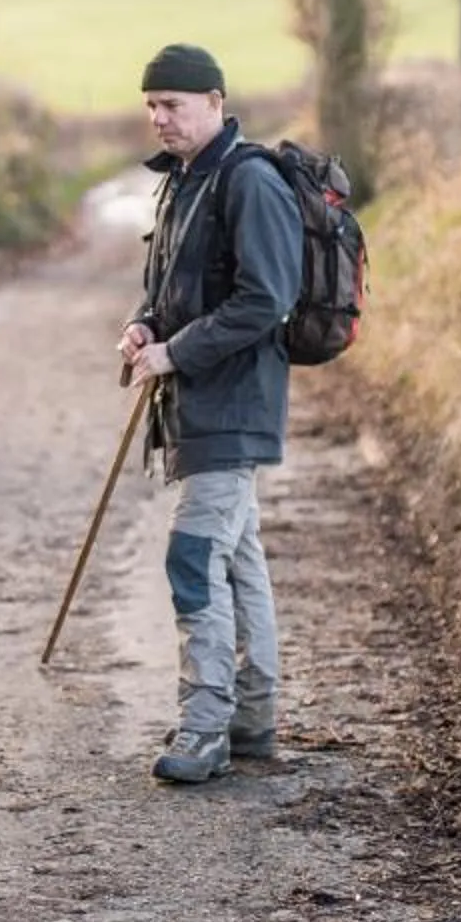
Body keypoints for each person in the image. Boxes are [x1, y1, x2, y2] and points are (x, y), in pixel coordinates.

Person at [114, 43, 302, 785]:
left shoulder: (249, 180)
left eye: (174, 105)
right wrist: (143, 326)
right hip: (202, 402)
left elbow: (267, 298)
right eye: (152, 105)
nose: (160, 118)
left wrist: (177, 353)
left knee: (193, 557)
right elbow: (172, 285)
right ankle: (251, 720)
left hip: (235, 402)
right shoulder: (183, 181)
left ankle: (204, 728)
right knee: (238, 559)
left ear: (216, 103)